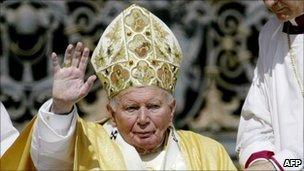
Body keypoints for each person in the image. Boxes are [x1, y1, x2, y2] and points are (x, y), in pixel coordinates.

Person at [1, 4, 236, 170]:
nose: (143, 118)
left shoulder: (208, 153)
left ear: (172, 109)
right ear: (111, 113)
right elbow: (47, 162)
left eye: (154, 106)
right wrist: (61, 107)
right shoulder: (87, 144)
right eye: (131, 108)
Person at [236, 0, 303, 170]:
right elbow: (257, 117)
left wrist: (278, 165)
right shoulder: (270, 33)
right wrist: (259, 160)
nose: (270, 2)